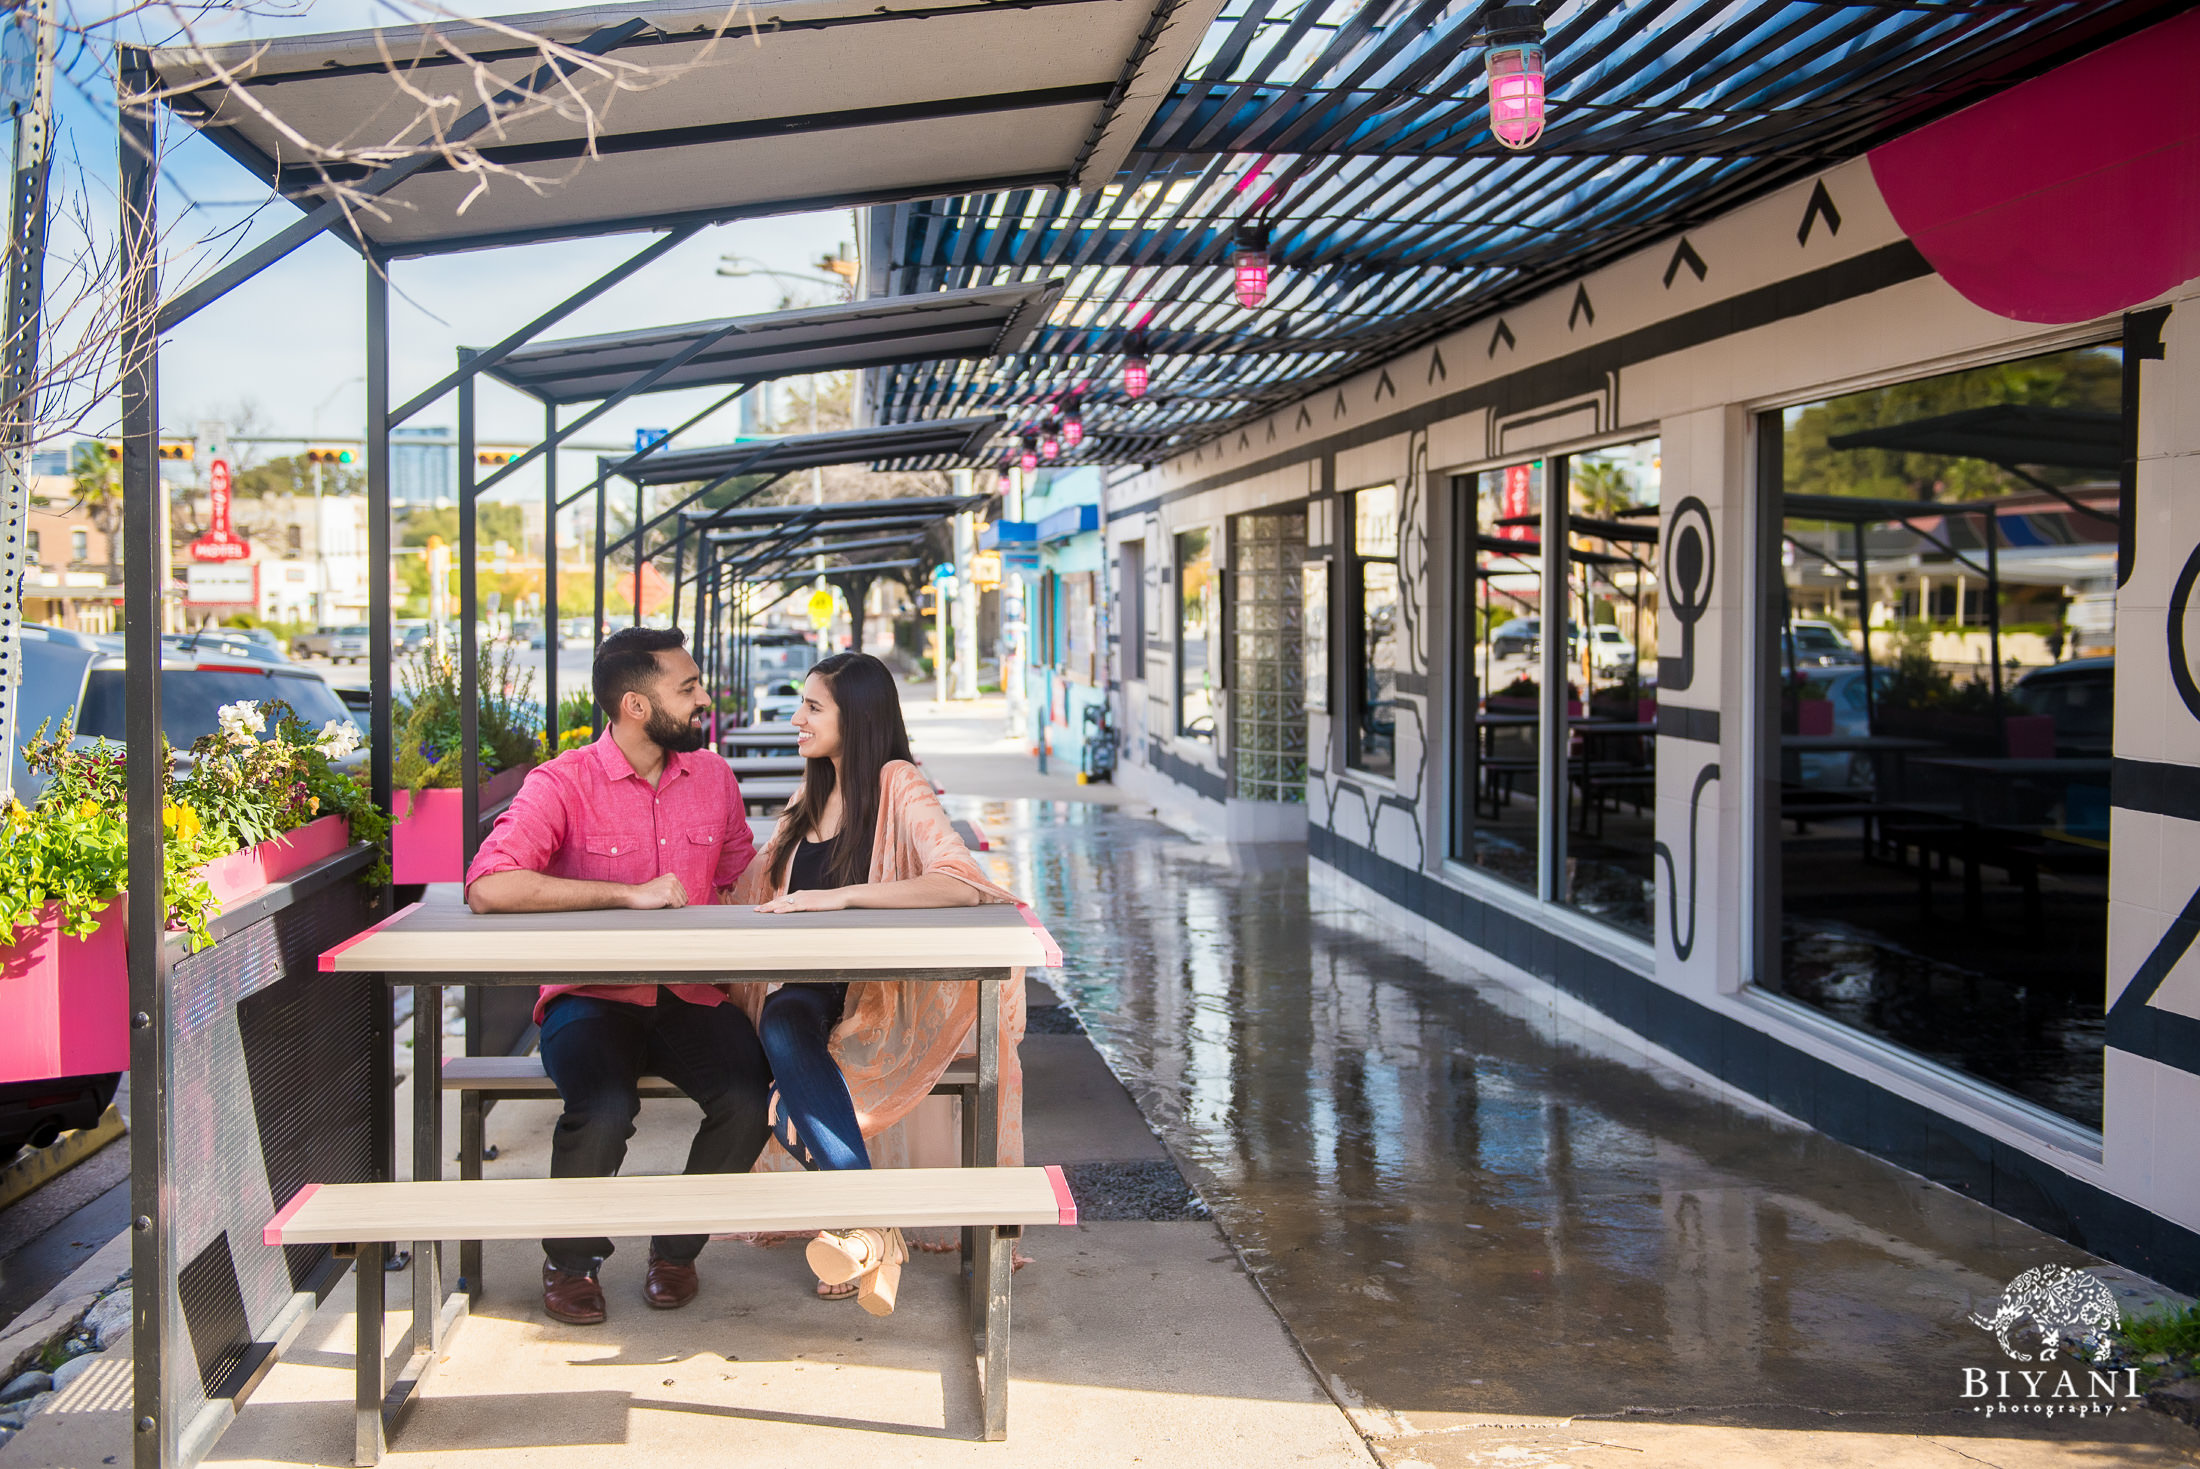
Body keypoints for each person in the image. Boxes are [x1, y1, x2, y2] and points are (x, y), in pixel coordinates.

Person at [464, 626, 771, 1327]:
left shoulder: (715, 777)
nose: (703, 700)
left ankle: (675, 1247)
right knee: (602, 1111)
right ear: (636, 705)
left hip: (691, 993)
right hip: (592, 995)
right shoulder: (562, 781)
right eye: (687, 689)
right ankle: (571, 1260)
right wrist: (623, 893)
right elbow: (489, 885)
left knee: (749, 1099)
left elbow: (742, 879)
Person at [734, 652, 1024, 1316]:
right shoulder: (809, 795)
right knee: (779, 1024)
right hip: (808, 987)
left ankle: (857, 1228)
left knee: (791, 1055)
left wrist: (841, 899)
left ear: (856, 717)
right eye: (799, 705)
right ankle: (868, 1222)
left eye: (813, 707)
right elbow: (752, 884)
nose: (796, 718)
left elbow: (958, 880)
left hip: (879, 990)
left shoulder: (898, 782)